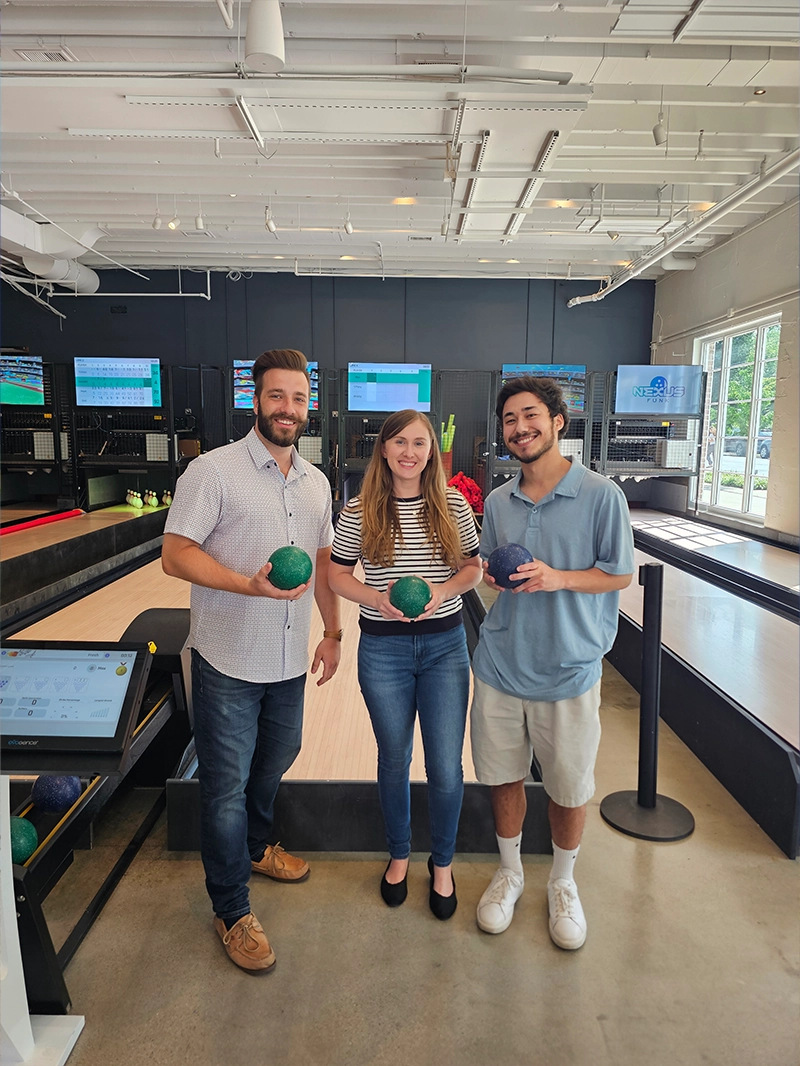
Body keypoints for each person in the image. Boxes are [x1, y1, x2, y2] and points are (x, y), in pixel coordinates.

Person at [161, 348, 341, 974]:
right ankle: (232, 908)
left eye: (298, 398)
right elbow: (175, 554)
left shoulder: (316, 481)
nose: (287, 409)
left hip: (288, 658)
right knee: (224, 792)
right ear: (255, 400)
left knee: (279, 757)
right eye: (276, 397)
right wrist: (249, 585)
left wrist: (335, 631)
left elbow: (321, 565)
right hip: (228, 659)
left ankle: (259, 847)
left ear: (307, 406)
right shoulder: (213, 473)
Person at [471, 375, 634, 949]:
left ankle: (563, 882)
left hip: (569, 668)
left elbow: (620, 572)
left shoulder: (601, 495)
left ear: (558, 421)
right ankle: (511, 871)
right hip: (501, 664)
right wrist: (493, 574)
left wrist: (557, 577)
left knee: (569, 787)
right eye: (510, 419)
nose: (521, 427)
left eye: (531, 415)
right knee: (504, 776)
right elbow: (492, 573)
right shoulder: (496, 501)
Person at [328, 409, 482, 919]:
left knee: (443, 765)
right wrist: (375, 596)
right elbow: (336, 577)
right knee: (393, 760)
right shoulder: (361, 509)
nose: (409, 452)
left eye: (419, 443)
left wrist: (440, 590)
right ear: (384, 450)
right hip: (384, 650)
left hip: (444, 648)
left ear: (431, 451)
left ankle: (442, 863)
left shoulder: (452, 505)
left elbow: (473, 569)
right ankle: (398, 854)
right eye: (399, 442)